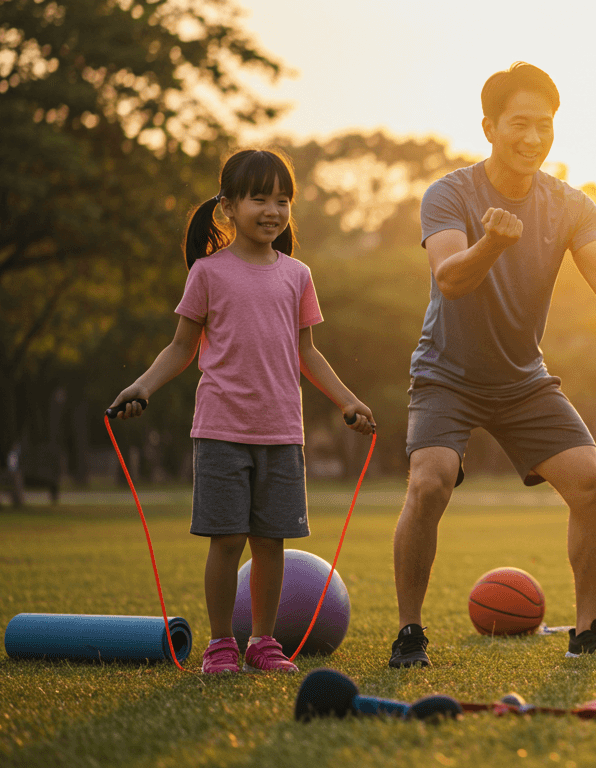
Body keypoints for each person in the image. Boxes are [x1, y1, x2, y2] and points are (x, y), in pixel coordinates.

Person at [390, 62, 596, 667]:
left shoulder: (571, 204)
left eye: (544, 125)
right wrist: (493, 242)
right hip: (446, 374)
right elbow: (449, 279)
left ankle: (589, 630)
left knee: (593, 487)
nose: (533, 137)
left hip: (522, 380)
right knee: (430, 481)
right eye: (519, 123)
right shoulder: (449, 194)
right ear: (489, 127)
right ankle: (409, 633)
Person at [110, 149, 376, 674]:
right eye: (260, 199)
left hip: (282, 431)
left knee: (270, 542)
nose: (273, 210)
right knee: (228, 539)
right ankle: (220, 644)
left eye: (283, 200)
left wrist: (348, 400)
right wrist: (142, 386)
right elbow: (181, 347)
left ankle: (262, 642)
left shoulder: (297, 275)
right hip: (221, 429)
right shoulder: (208, 273)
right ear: (229, 207)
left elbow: (307, 353)